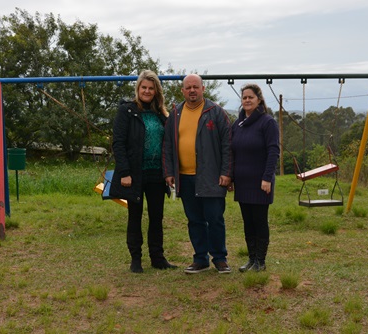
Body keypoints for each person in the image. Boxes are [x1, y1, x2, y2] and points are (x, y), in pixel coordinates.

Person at [163, 74, 233, 274]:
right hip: (184, 177)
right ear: (182, 91)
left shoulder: (216, 112)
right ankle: (200, 259)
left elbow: (228, 145)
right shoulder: (175, 114)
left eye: (196, 87)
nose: (192, 90)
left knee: (215, 219)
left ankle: (220, 259)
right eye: (188, 87)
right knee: (194, 220)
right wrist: (169, 172)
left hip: (211, 177)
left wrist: (226, 173)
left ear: (203, 88)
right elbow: (167, 145)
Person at [110, 70, 177, 273]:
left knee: (157, 217)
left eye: (151, 88)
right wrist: (125, 173)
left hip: (157, 174)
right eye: (143, 87)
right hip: (135, 174)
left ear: (156, 91)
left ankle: (157, 258)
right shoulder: (127, 111)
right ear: (138, 89)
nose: (147, 91)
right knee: (135, 216)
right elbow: (118, 143)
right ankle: (136, 259)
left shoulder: (161, 115)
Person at [230, 83, 279, 272]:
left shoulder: (267, 123)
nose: (247, 100)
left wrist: (267, 178)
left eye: (251, 97)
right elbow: (233, 152)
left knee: (259, 221)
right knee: (247, 222)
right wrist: (232, 178)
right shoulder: (238, 124)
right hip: (243, 182)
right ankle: (251, 259)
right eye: (244, 98)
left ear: (259, 99)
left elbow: (273, 151)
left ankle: (261, 261)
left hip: (260, 182)